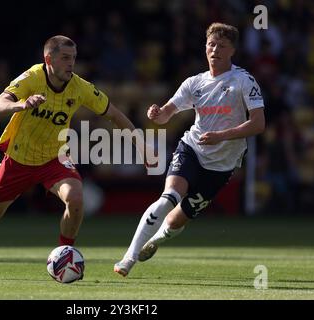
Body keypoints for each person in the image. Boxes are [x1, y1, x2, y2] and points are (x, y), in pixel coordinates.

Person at [0, 35, 147, 278]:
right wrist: (22, 105)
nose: (71, 64)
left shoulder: (80, 87)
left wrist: (142, 146)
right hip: (19, 159)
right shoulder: (33, 77)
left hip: (54, 158)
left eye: (74, 59)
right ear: (48, 59)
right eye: (65, 58)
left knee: (76, 199)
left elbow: (116, 115)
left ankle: (64, 255)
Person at [114, 23, 265, 277]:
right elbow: (165, 116)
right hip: (192, 149)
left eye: (221, 46)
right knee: (169, 197)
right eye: (211, 44)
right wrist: (157, 113)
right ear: (205, 47)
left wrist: (221, 136)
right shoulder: (194, 83)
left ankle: (156, 240)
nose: (215, 50)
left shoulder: (244, 81)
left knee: (175, 221)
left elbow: (259, 124)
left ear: (232, 51)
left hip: (221, 166)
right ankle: (128, 259)